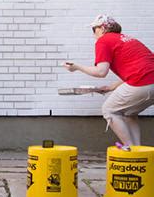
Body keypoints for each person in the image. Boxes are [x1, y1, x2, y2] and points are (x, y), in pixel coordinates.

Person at [63, 14, 154, 149]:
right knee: (129, 113)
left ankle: (129, 148)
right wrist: (112, 87)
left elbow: (101, 72)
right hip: (147, 81)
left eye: (94, 29)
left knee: (109, 110)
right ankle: (137, 150)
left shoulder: (104, 41)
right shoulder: (128, 39)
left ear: (102, 28)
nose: (93, 34)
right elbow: (140, 69)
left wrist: (76, 67)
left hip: (142, 82)